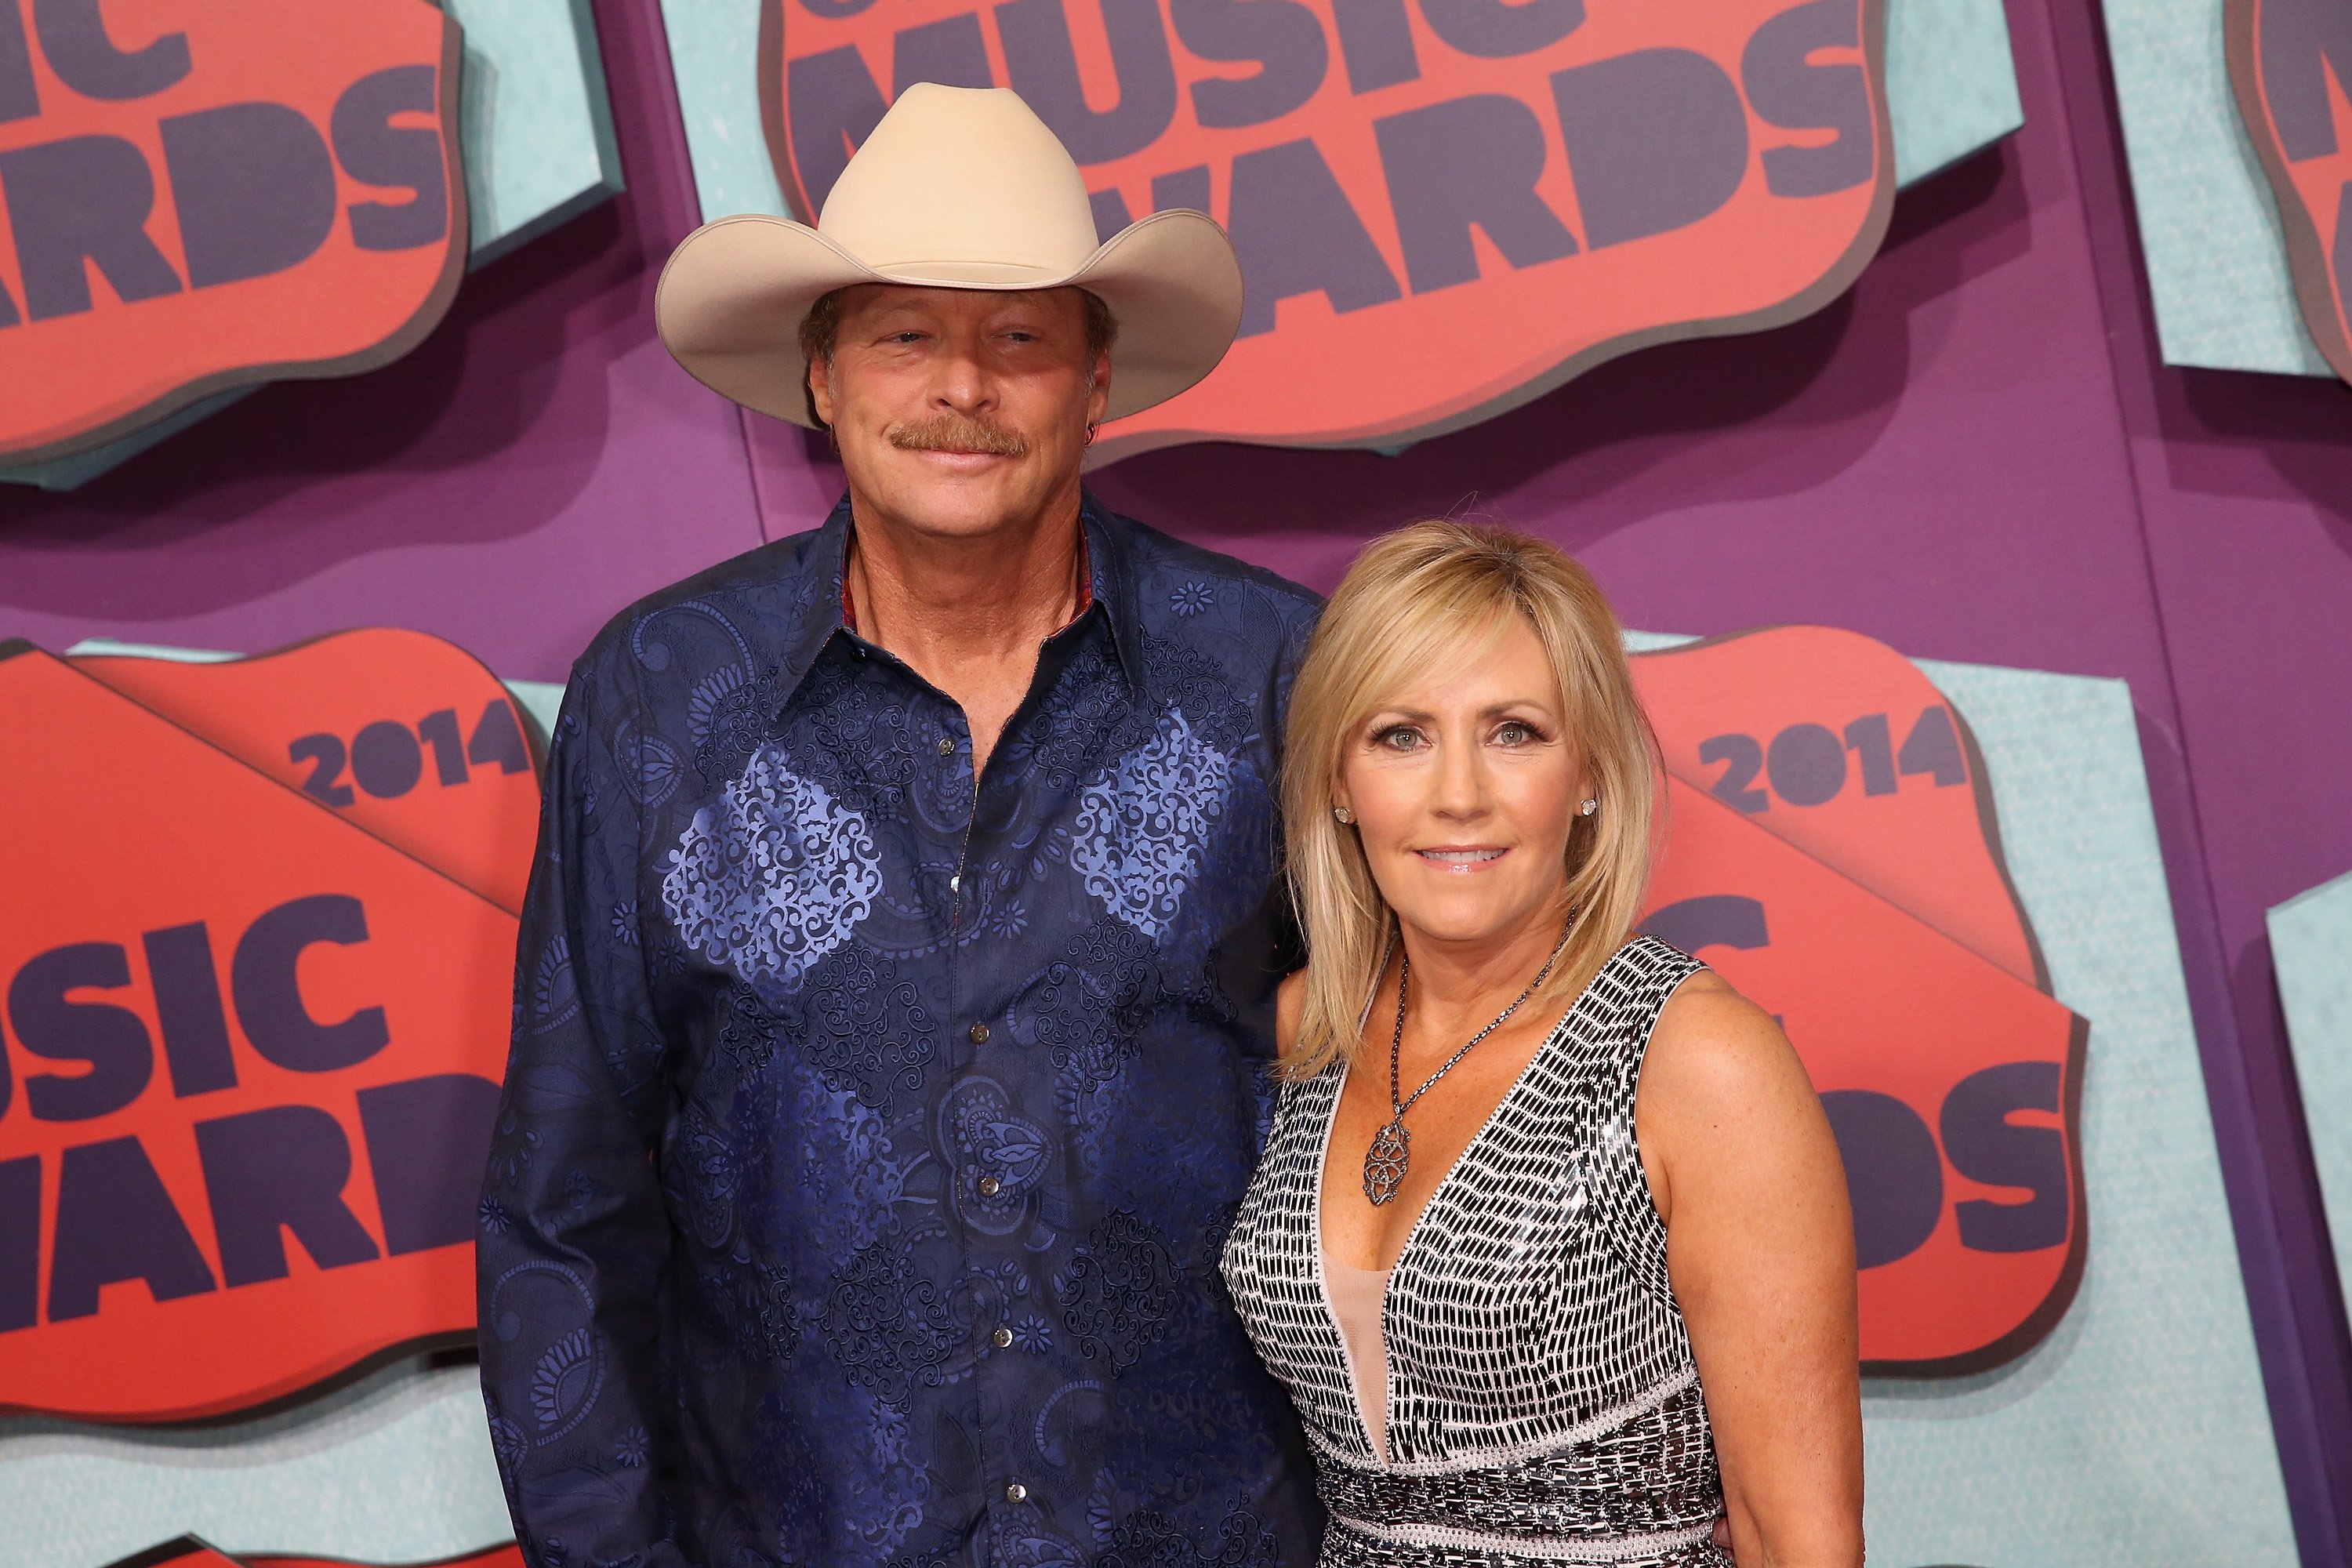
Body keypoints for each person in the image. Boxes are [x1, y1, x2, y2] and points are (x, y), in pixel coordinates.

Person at [477, 85, 1327, 1567]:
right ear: (822, 376)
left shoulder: (1274, 673)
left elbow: (1422, 1108)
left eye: (1019, 339)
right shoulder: (660, 698)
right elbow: (567, 1204)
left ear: (1096, 382)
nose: (963, 391)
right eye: (904, 336)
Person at [1221, 522, 1864, 1567]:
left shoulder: (1691, 1060)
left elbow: (1799, 1534)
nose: (1459, 793)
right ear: (1338, 783)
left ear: (1592, 774)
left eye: (1514, 731)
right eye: (1401, 735)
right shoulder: (1305, 1036)